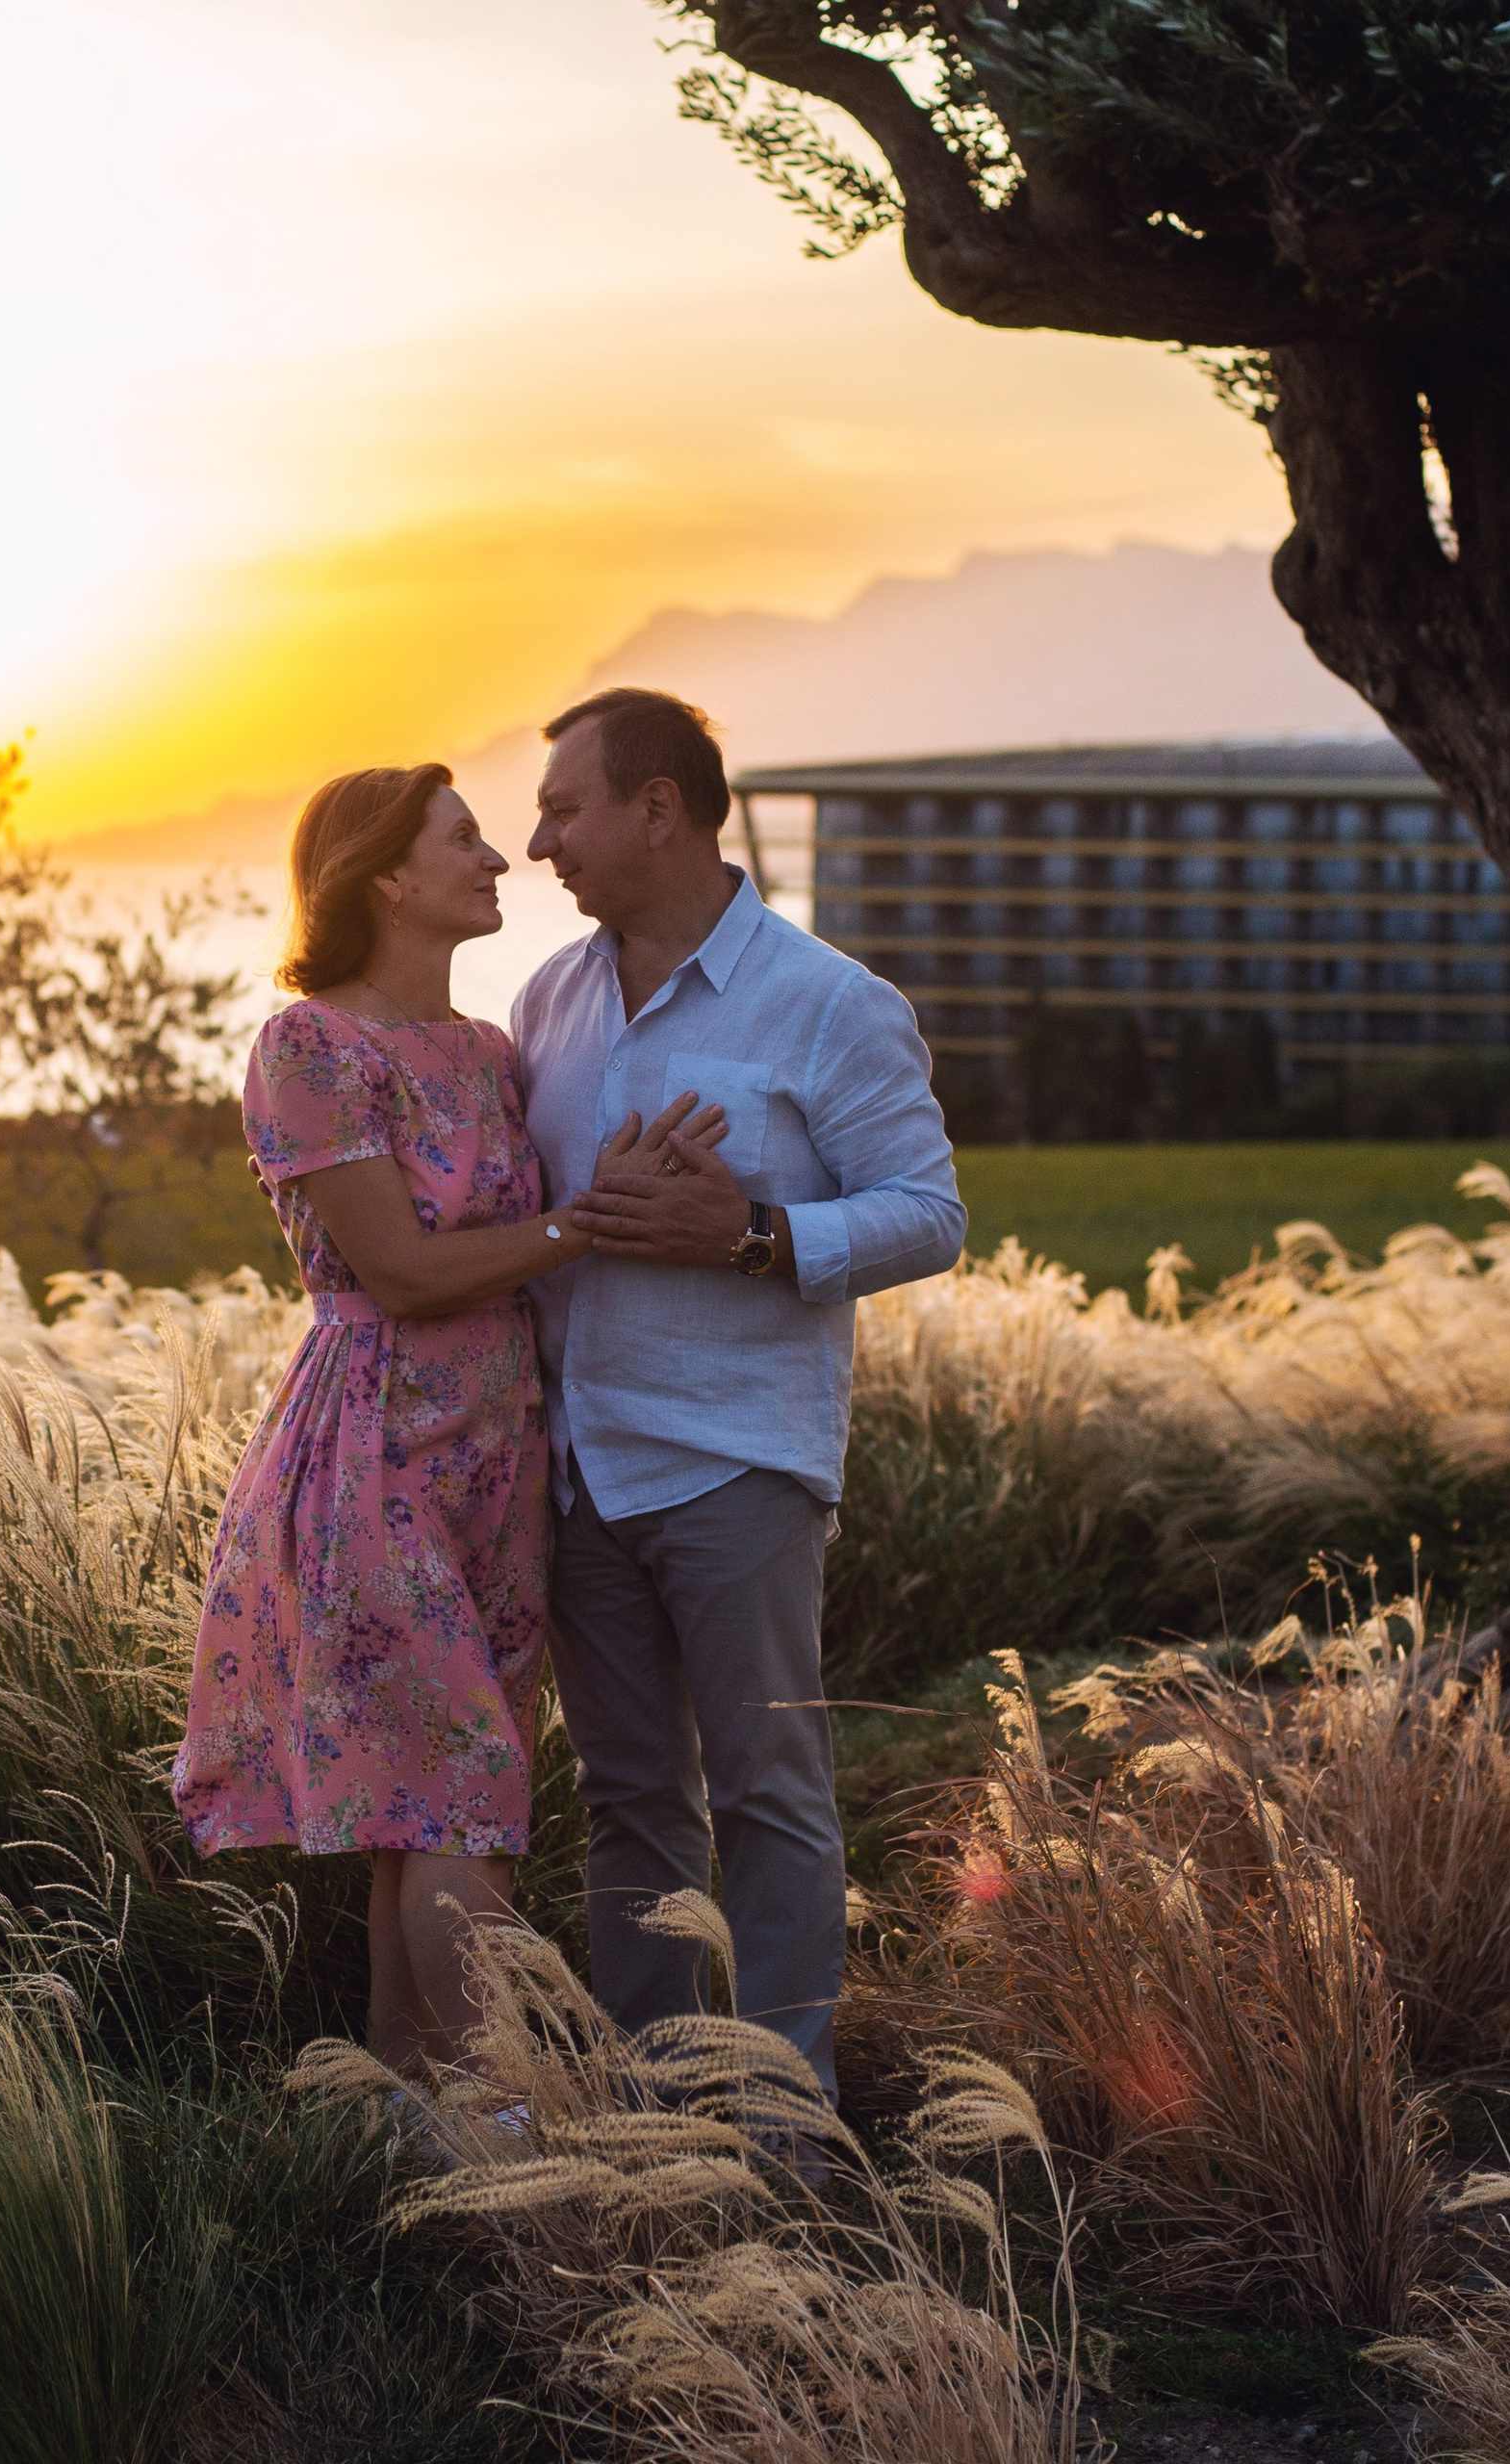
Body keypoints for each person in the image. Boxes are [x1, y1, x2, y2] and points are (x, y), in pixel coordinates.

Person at [171, 759, 721, 2077]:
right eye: (465, 840)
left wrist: (636, 1195)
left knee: (423, 1811)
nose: (499, 860)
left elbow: (529, 1244)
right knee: (464, 1798)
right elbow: (401, 1275)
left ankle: (405, 2119)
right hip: (377, 1451)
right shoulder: (310, 1045)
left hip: (501, 1456)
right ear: (382, 878)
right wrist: (583, 1219)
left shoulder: (488, 1053)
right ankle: (512, 2121)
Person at [510, 686, 966, 2103]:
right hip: (583, 1466)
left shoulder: (831, 1003)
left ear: (660, 809)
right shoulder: (549, 999)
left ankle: (782, 2113)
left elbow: (933, 1214)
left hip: (735, 1471)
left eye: (564, 809)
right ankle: (654, 2103)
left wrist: (756, 1235)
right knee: (629, 1803)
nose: (540, 844)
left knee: (769, 1797)